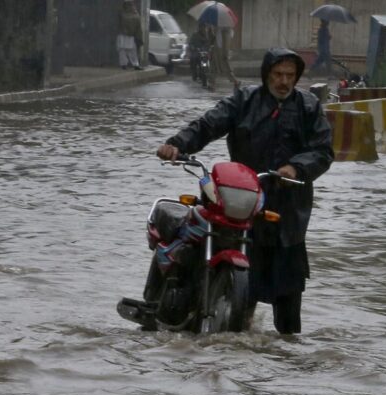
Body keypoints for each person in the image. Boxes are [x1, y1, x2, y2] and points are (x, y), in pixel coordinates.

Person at [156, 49, 334, 334]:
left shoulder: (309, 107)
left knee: (289, 297)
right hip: (239, 202)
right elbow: (208, 124)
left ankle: (288, 356)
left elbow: (323, 151)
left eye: (290, 76)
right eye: (278, 74)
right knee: (226, 269)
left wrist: (296, 168)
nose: (283, 81)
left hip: (287, 211)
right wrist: (177, 144)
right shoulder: (244, 100)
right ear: (266, 75)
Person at [210, 25, 239, 91]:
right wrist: (212, 30)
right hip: (216, 50)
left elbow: (227, 43)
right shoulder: (218, 29)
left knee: (226, 68)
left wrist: (226, 53)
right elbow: (214, 39)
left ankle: (236, 82)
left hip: (222, 51)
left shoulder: (227, 31)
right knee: (213, 67)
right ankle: (212, 85)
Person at [117, 0, 142, 71]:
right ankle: (125, 64)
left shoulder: (133, 13)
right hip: (124, 34)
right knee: (123, 50)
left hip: (129, 35)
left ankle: (134, 65)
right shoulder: (122, 13)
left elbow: (137, 24)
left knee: (131, 50)